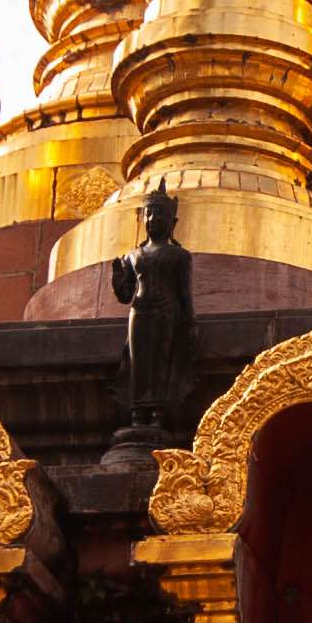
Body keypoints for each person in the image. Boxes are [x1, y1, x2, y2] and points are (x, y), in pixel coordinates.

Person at [110, 183, 196, 443]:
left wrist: (190, 321)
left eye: (159, 215)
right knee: (139, 363)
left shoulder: (179, 256)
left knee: (162, 360)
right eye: (149, 214)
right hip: (140, 311)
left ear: (172, 221)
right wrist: (117, 276)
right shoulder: (133, 256)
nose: (153, 220)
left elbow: (184, 292)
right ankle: (137, 411)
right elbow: (125, 294)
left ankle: (159, 411)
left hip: (167, 311)